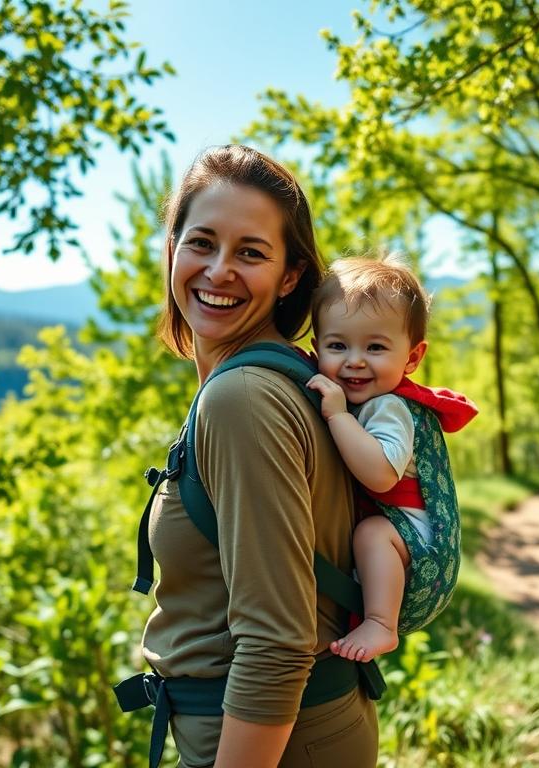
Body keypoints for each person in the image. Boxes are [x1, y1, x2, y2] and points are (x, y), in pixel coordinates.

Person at [140, 145, 378, 767]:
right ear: (171, 249)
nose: (219, 270)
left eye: (251, 252)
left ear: (290, 276)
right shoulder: (290, 377)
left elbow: (277, 641)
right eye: (201, 243)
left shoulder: (242, 398)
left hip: (266, 741)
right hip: (306, 730)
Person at [306, 255, 478, 663]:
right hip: (416, 548)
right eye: (337, 345)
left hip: (419, 553)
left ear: (413, 358)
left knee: (371, 533)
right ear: (316, 349)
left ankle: (380, 625)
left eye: (376, 347)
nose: (355, 360)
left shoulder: (389, 408)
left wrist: (336, 416)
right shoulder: (379, 398)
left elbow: (381, 474)